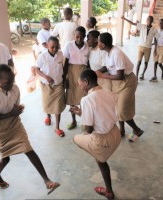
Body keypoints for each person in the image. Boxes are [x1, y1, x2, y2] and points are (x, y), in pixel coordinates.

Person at [0, 64, 59, 193]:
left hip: (14, 123)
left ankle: (47, 181)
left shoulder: (15, 88)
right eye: (8, 81)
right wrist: (11, 113)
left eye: (13, 79)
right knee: (5, 158)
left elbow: (14, 107)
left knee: (28, 149)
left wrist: (17, 111)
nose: (12, 83)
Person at [71, 69, 121, 200]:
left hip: (102, 141)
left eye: (80, 83)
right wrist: (82, 113)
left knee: (76, 138)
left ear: (86, 82)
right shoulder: (108, 92)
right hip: (116, 134)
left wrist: (83, 119)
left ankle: (109, 191)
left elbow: (88, 130)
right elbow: (102, 114)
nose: (80, 86)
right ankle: (99, 155)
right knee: (100, 158)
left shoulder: (86, 99)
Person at [96, 32, 144, 142]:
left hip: (127, 82)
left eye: (98, 41)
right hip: (118, 83)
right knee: (117, 108)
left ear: (103, 44)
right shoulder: (108, 52)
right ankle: (121, 130)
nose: (97, 43)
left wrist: (102, 75)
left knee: (122, 110)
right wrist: (98, 71)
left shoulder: (116, 54)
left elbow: (120, 75)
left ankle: (137, 130)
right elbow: (107, 67)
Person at [35, 37, 66, 137]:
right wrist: (45, 77)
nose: (54, 49)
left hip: (58, 84)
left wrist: (64, 80)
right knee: (47, 104)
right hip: (46, 85)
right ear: (47, 45)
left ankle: (57, 127)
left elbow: (63, 68)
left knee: (58, 107)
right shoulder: (42, 56)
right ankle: (48, 116)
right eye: (52, 47)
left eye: (57, 47)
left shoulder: (60, 54)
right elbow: (37, 69)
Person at [63, 26, 90, 130]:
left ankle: (85, 121)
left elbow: (88, 64)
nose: (79, 39)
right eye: (77, 36)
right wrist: (65, 77)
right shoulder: (69, 45)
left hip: (83, 74)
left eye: (81, 37)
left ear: (84, 37)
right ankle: (73, 120)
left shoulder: (87, 47)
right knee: (72, 98)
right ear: (74, 35)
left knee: (84, 98)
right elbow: (65, 64)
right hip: (72, 73)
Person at [121, 15, 157, 80]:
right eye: (147, 19)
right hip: (141, 46)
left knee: (146, 62)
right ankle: (136, 77)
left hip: (148, 48)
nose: (148, 20)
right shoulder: (142, 26)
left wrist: (154, 47)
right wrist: (124, 18)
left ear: (152, 21)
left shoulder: (154, 29)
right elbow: (132, 23)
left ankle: (142, 74)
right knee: (139, 62)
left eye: (149, 19)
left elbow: (157, 39)